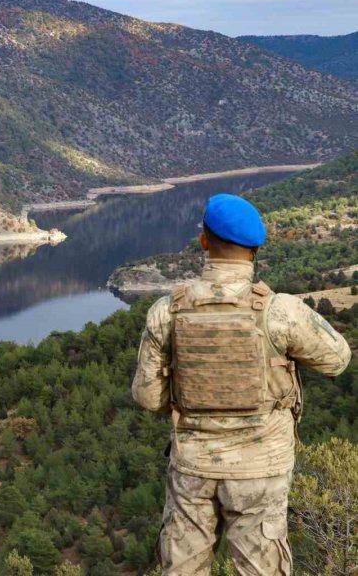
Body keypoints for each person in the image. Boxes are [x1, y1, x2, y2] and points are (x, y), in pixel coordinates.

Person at [132, 194, 352, 575]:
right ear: (256, 249)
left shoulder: (168, 311)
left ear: (203, 241)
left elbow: (148, 397)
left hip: (193, 466)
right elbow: (338, 360)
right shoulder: (279, 311)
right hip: (261, 468)